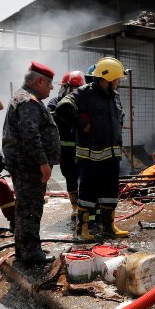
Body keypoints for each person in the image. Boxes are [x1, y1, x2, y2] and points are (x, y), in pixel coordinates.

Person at [55, 57, 128, 241]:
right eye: (117, 79)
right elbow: (63, 106)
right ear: (108, 78)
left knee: (110, 193)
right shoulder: (85, 93)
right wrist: (81, 124)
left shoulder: (114, 96)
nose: (118, 82)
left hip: (112, 156)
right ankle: (82, 229)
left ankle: (108, 227)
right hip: (90, 158)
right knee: (88, 194)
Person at [1, 62, 62, 264]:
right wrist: (43, 163)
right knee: (31, 209)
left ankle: (24, 250)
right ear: (40, 81)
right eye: (49, 84)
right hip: (30, 166)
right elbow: (30, 134)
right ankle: (31, 254)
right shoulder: (28, 101)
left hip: (26, 164)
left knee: (25, 207)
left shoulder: (24, 97)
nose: (51, 88)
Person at [46, 70, 86, 219]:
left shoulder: (84, 104)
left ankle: (85, 206)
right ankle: (75, 207)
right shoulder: (55, 103)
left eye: (78, 88)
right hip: (64, 148)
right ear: (65, 87)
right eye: (74, 88)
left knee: (84, 177)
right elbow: (51, 123)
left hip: (82, 147)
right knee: (70, 176)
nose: (76, 92)